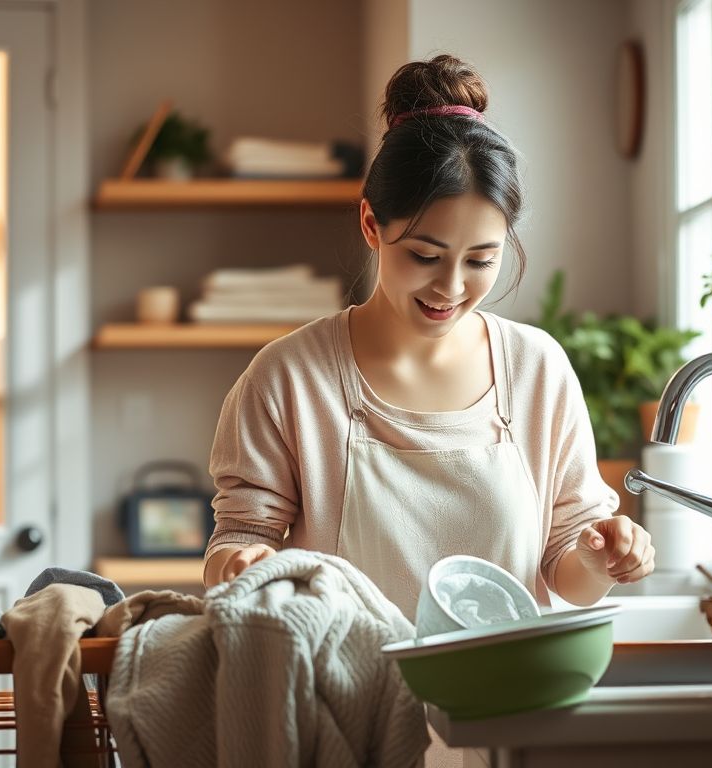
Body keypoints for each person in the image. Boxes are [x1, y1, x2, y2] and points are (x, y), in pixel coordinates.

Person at [202, 54, 655, 618]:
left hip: (504, 695)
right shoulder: (289, 377)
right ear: (371, 224)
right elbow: (240, 537)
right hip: (349, 697)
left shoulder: (537, 368)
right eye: (425, 255)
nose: (451, 287)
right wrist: (242, 563)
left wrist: (599, 559)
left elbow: (567, 566)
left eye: (481, 260)